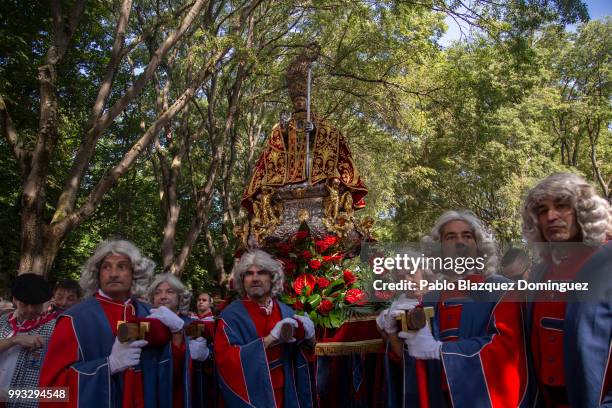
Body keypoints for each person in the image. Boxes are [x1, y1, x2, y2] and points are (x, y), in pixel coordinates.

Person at [377, 210, 529, 408]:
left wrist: (441, 352)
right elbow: (410, 363)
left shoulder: (502, 291)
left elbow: (507, 349)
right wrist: (392, 333)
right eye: (451, 237)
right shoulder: (429, 299)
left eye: (467, 236)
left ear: (478, 246)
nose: (460, 242)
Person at [39, 239, 182, 408]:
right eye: (106, 267)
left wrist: (178, 333)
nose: (113, 274)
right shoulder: (75, 319)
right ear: (98, 274)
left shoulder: (150, 313)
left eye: (121, 266)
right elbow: (49, 391)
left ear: (134, 273)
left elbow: (172, 374)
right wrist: (108, 366)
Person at [242, 44, 367, 215]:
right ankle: (288, 186)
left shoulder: (317, 120)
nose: (299, 103)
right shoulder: (287, 122)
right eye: (296, 101)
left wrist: (315, 128)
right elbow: (276, 143)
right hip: (291, 164)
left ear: (307, 101)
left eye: (302, 100)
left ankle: (313, 185)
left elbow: (332, 134)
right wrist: (284, 129)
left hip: (310, 162)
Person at [521, 173, 611, 407]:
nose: (551, 216)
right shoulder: (541, 272)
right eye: (542, 210)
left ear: (584, 211)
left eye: (561, 206)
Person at [214, 249, 315, 407]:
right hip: (252, 398)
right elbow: (224, 361)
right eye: (249, 273)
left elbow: (302, 356)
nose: (255, 278)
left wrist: (309, 337)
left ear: (272, 278)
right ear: (243, 280)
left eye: (261, 272)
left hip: (286, 396)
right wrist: (269, 339)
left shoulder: (286, 311)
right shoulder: (230, 316)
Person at [148, 273, 210, 407]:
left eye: (170, 292)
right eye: (157, 293)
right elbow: (122, 334)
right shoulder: (144, 322)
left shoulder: (193, 324)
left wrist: (204, 354)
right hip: (152, 392)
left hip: (185, 392)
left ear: (180, 297)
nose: (163, 297)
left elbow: (205, 356)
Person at [0, 274, 55, 408]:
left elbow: (58, 390)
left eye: (35, 305)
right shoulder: (2, 322)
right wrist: (15, 340)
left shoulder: (54, 328)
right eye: (24, 304)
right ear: (14, 300)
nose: (30, 310)